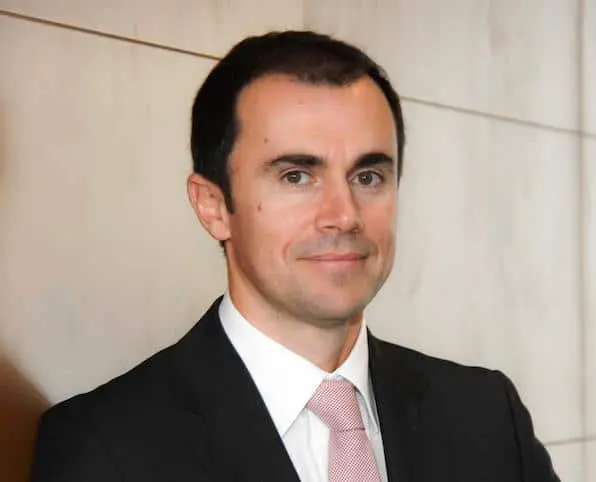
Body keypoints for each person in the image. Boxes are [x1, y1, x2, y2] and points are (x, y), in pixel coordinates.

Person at [31, 31, 560, 482]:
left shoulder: (486, 416)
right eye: (297, 176)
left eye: (368, 176)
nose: (344, 215)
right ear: (213, 206)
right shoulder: (107, 447)